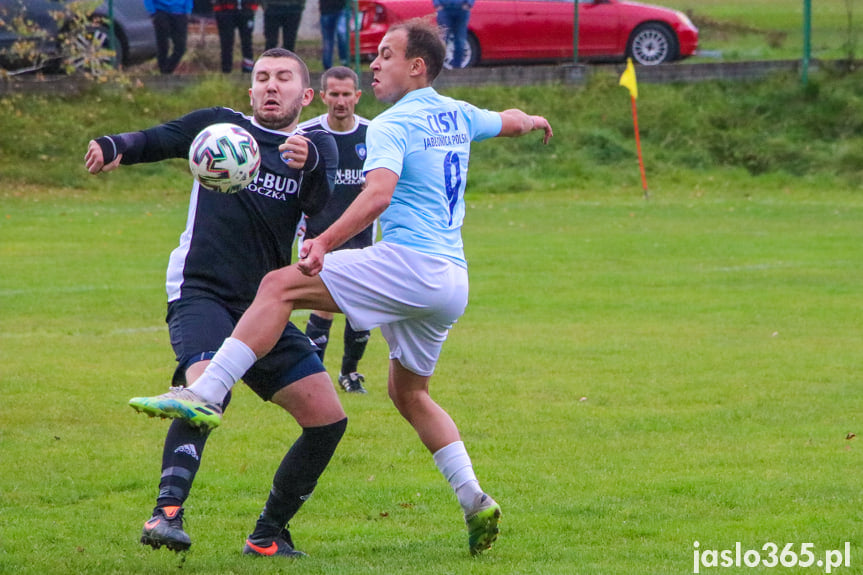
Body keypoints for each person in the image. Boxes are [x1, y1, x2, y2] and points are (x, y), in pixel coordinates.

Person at [129, 19, 553, 556]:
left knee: (281, 284)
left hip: (410, 264)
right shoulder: (459, 113)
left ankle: (206, 392)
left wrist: (325, 240)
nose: (373, 65)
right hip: (451, 281)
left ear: (416, 67)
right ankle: (474, 499)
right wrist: (534, 118)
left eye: (385, 55)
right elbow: (508, 121)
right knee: (410, 393)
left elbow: (377, 195)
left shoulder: (391, 125)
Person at [85, 48, 347, 558]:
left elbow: (323, 214)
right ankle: (166, 514)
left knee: (328, 420)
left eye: (284, 78)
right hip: (201, 291)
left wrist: (312, 165)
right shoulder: (220, 129)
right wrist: (114, 144)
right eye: (263, 78)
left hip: (265, 308)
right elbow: (160, 138)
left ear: (306, 95)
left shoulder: (315, 149)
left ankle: (267, 537)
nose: (272, 86)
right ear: (251, 92)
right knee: (207, 389)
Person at [297, 66, 372, 394]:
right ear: (323, 96)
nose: (340, 101)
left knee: (363, 309)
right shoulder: (306, 134)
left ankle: (350, 373)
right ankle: (315, 377)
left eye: (347, 94)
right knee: (324, 305)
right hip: (318, 235)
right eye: (334, 94)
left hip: (362, 236)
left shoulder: (374, 133)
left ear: (357, 96)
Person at [145, 0, 192, 74]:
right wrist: (152, 12)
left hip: (180, 13)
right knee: (163, 46)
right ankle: (164, 74)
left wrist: (188, 10)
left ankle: (166, 72)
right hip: (161, 11)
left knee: (181, 48)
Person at [213, 0, 258, 73]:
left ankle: (248, 70)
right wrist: (217, 7)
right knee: (226, 42)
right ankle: (226, 70)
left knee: (247, 42)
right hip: (225, 10)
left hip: (246, 10)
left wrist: (254, 6)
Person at [433, 0, 474, 69]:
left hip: (461, 9)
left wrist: (469, 4)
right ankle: (439, 67)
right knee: (442, 39)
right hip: (444, 9)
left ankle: (457, 68)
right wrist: (437, 4)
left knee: (460, 39)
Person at [318, 0, 350, 70]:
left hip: (341, 9)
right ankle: (327, 67)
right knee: (327, 40)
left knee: (341, 33)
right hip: (326, 10)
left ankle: (344, 60)